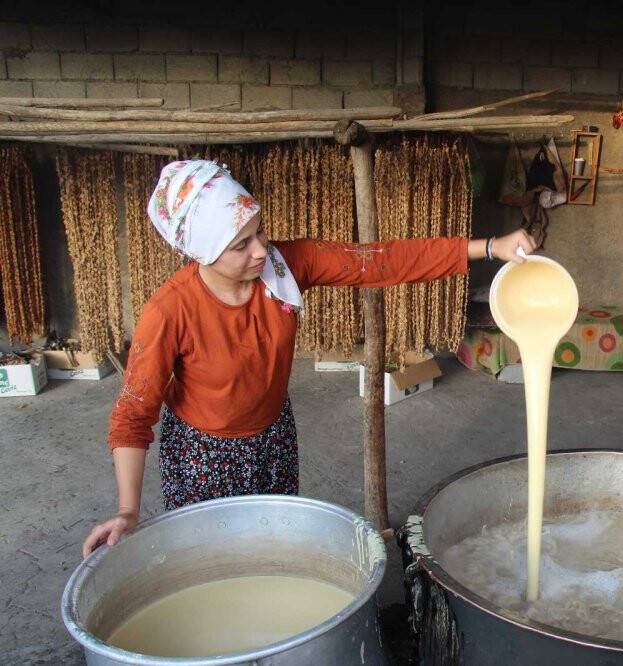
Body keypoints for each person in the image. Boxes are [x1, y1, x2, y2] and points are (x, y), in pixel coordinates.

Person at [83, 159, 535, 555]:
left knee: (275, 546)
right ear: (202, 250)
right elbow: (132, 415)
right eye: (241, 245)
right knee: (215, 558)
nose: (261, 249)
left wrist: (492, 247)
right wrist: (128, 510)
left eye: (259, 231)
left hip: (273, 436)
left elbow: (378, 261)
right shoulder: (170, 311)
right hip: (204, 455)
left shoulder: (284, 266)